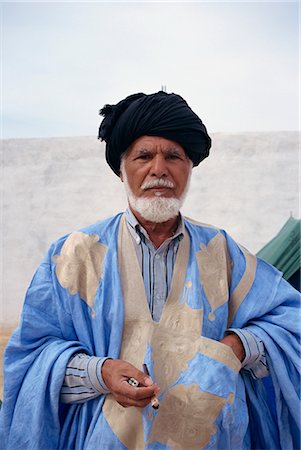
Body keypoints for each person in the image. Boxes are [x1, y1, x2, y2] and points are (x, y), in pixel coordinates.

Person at [0, 91, 300, 450]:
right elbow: (32, 357)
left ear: (189, 167)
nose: (159, 169)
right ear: (121, 168)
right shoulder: (77, 254)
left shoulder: (220, 251)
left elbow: (288, 319)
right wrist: (101, 372)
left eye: (174, 156)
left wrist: (235, 346)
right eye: (144, 156)